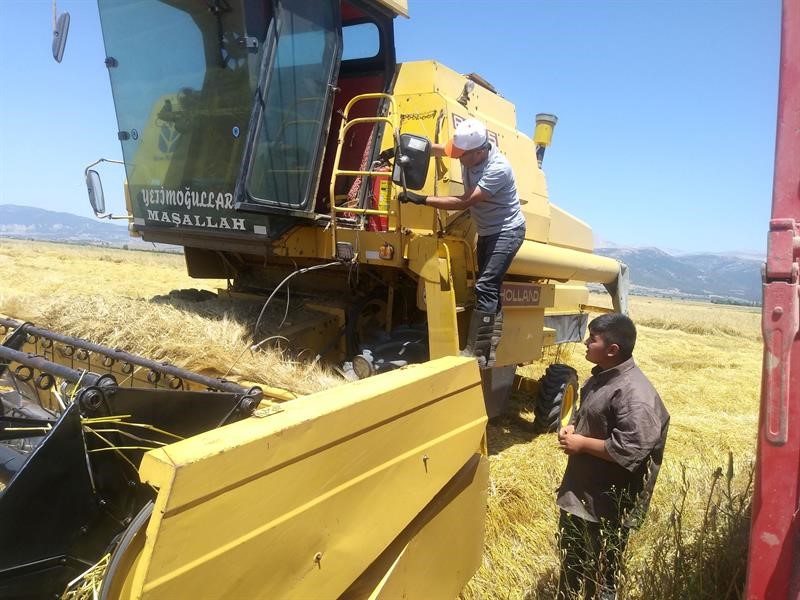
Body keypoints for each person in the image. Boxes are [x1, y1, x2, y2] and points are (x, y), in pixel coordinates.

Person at [556, 313, 669, 599]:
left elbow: (630, 448)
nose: (585, 343)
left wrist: (580, 443)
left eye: (592, 339)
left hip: (607, 507)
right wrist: (575, 427)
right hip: (584, 496)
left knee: (603, 575)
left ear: (612, 349)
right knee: (574, 566)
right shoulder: (602, 378)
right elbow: (597, 418)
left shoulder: (635, 394)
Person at [398, 118, 526, 367]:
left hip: (508, 231)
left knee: (485, 287)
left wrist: (421, 199)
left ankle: (476, 352)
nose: (457, 159)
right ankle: (489, 350)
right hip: (488, 231)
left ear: (479, 152)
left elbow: (464, 201)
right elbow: (438, 150)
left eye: (462, 156)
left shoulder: (498, 168)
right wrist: (404, 150)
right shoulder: (468, 149)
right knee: (490, 288)